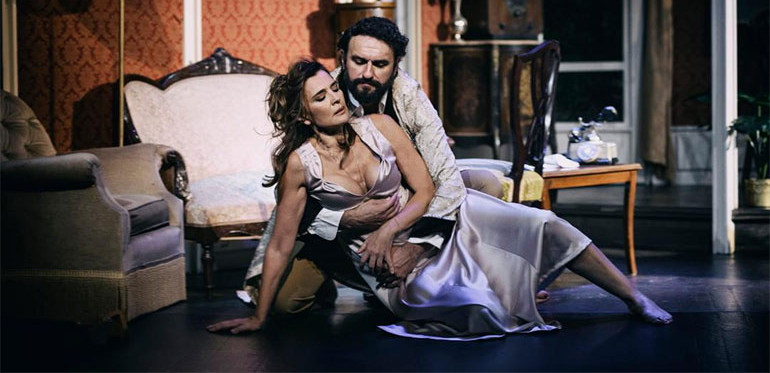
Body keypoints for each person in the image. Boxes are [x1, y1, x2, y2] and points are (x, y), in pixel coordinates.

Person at [207, 60, 672, 340]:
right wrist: (260, 318)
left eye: (333, 87)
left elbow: (427, 189)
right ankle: (504, 290)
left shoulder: (379, 125)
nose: (336, 99)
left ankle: (632, 297)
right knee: (475, 308)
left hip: (435, 223)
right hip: (391, 266)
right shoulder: (299, 165)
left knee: (545, 224)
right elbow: (280, 243)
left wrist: (390, 228)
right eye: (321, 97)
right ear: (304, 116)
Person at [257, 17, 504, 315]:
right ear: (342, 57)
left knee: (486, 184)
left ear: (396, 64)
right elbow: (291, 192)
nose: (367, 73)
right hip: (335, 232)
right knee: (285, 305)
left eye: (380, 64)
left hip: (407, 205)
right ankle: (354, 278)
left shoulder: (409, 97)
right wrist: (343, 219)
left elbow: (442, 179)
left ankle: (480, 272)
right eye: (359, 61)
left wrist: (414, 249)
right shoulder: (317, 89)